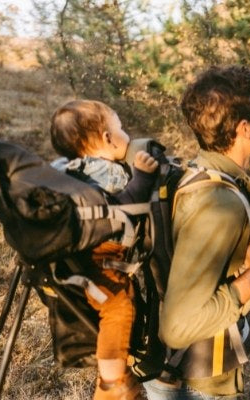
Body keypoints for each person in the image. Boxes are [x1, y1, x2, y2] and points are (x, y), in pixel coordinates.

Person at [143, 65, 250, 399]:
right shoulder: (219, 202)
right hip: (195, 383)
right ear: (244, 129)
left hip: (183, 375)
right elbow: (177, 327)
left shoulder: (199, 174)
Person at [50, 99, 159, 400]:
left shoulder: (65, 170)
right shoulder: (106, 172)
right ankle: (111, 381)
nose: (125, 133)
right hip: (101, 257)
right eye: (120, 128)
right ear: (108, 139)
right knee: (118, 307)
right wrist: (144, 176)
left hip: (72, 257)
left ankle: (116, 379)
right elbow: (126, 207)